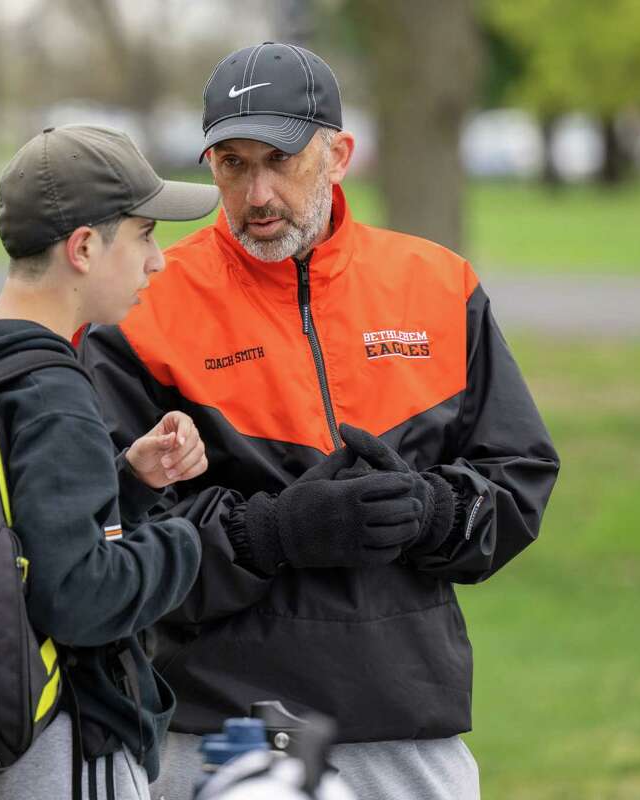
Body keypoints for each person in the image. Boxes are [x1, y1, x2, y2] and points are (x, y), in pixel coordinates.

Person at [79, 43, 561, 800]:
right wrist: (275, 533)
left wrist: (431, 512)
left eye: (280, 158)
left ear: (339, 154)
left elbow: (519, 479)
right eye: (232, 163)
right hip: (219, 726)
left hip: (403, 720)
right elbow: (114, 541)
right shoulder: (146, 309)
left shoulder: (437, 284)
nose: (257, 192)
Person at [0, 125, 220, 800]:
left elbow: (13, 538)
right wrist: (185, 539)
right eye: (144, 234)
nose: (158, 261)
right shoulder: (57, 395)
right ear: (83, 247)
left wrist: (127, 486)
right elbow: (77, 599)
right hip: (62, 750)